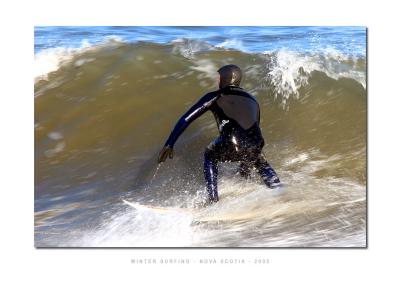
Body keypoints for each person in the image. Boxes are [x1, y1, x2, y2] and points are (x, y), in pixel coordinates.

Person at [158, 64, 280, 203]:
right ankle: (278, 188)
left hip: (232, 142)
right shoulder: (253, 100)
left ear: (225, 78)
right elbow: (251, 133)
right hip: (257, 143)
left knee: (210, 154)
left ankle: (213, 201)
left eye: (219, 77)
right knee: (257, 157)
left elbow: (186, 119)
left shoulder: (215, 96)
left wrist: (170, 143)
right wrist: (245, 168)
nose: (217, 81)